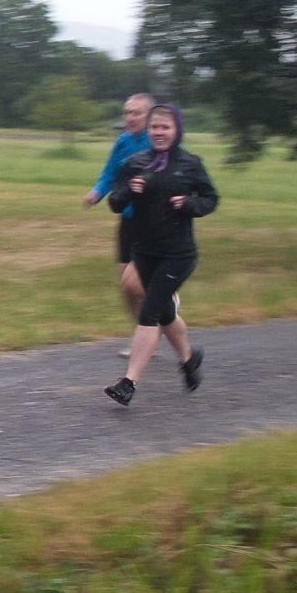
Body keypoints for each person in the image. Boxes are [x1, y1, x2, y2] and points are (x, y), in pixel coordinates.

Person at [104, 103, 216, 406]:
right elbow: (115, 202)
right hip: (145, 253)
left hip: (178, 254)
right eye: (155, 127)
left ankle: (129, 383)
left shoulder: (190, 163)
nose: (159, 132)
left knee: (149, 311)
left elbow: (211, 198)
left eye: (165, 127)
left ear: (177, 129)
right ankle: (189, 360)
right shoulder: (135, 162)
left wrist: (190, 206)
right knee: (165, 311)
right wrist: (129, 190)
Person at [84, 94, 155, 352]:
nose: (130, 118)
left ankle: (163, 308)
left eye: (136, 113)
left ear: (149, 116)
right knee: (125, 287)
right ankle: (145, 336)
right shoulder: (123, 142)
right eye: (127, 113)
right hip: (127, 220)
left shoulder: (158, 142)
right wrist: (96, 192)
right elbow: (109, 173)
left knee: (137, 282)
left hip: (153, 223)